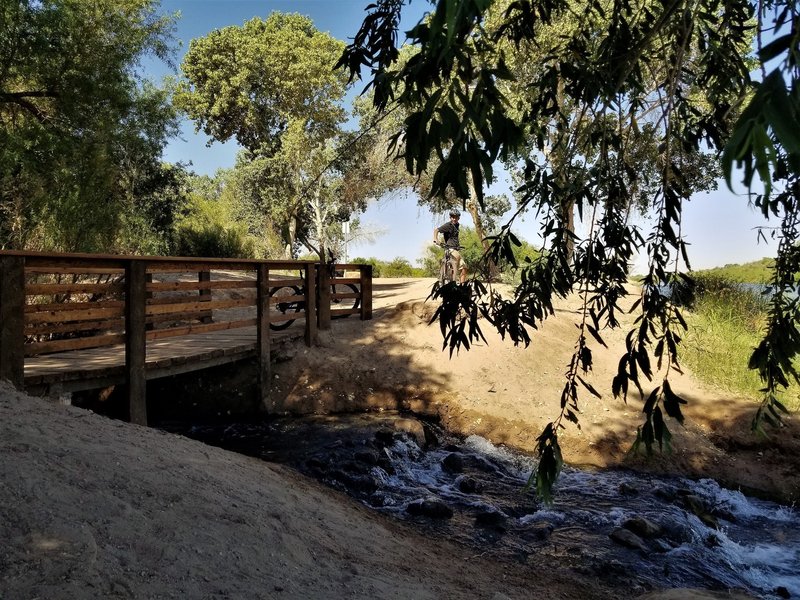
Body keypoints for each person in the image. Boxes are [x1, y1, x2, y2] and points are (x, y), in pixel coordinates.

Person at [433, 208, 467, 283]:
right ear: (450, 217)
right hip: (450, 249)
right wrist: (436, 239)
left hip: (456, 249)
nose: (454, 219)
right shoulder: (448, 225)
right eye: (452, 217)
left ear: (459, 218)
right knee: (456, 262)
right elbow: (436, 230)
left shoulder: (457, 225)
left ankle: (462, 287)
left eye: (456, 217)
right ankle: (452, 282)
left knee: (464, 268)